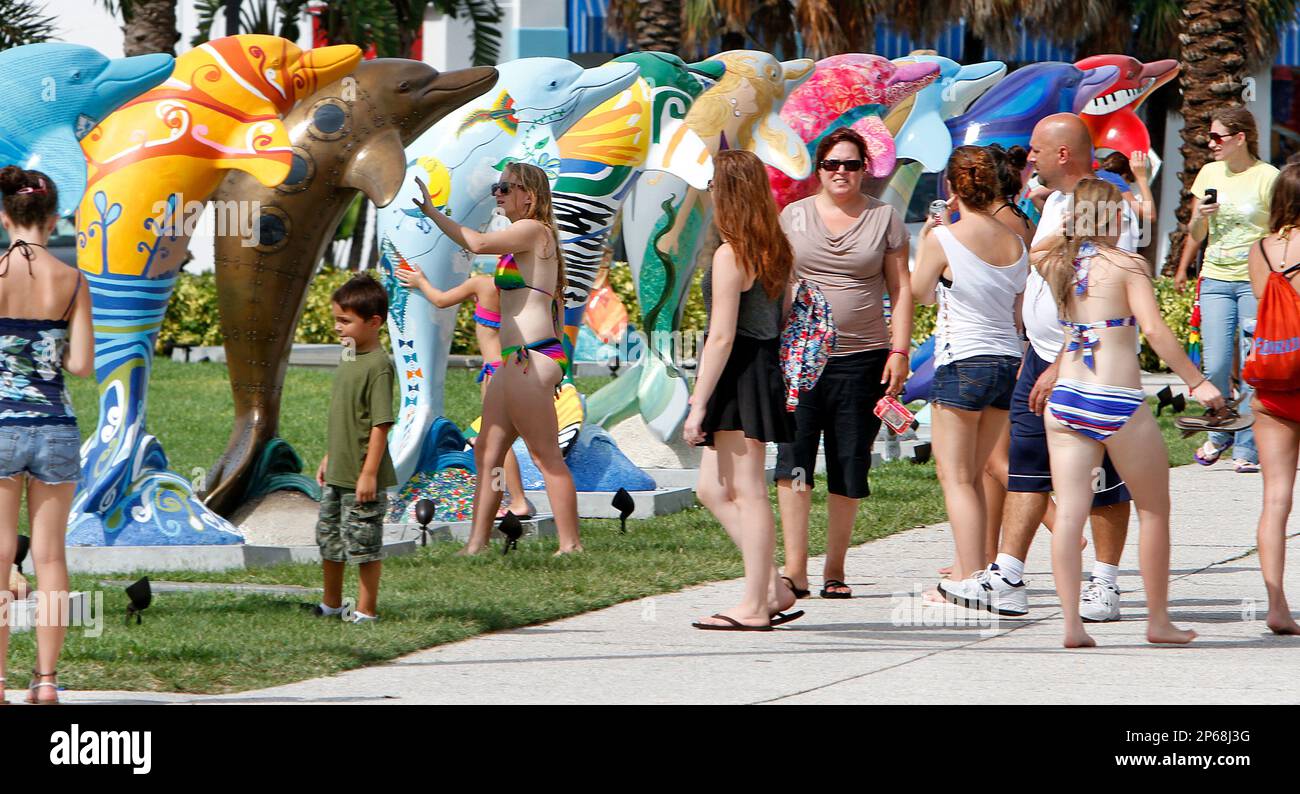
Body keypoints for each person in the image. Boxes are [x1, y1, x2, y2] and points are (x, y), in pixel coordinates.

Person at [952, 113, 1137, 620]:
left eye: (1036, 149)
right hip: (1039, 356)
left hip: (1086, 361)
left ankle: (1105, 584)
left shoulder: (1106, 205)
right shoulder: (1055, 201)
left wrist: (1061, 359)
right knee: (1027, 464)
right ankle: (1008, 577)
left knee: (1101, 475)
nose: (1026, 157)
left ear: (1062, 154)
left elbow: (1102, 293)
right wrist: (1032, 352)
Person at [1036, 178, 1220, 647]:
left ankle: (1072, 626)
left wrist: (1071, 223)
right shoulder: (1129, 265)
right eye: (1122, 213)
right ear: (1114, 217)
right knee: (1155, 510)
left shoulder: (1057, 263)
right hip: (1115, 398)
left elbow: (1040, 245)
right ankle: (1158, 621)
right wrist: (1196, 382)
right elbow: (1155, 331)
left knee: (1072, 513)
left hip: (1067, 397)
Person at [412, 162, 581, 555]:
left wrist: (434, 213)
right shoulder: (524, 241)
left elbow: (477, 243)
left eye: (507, 187)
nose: (499, 194)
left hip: (530, 356)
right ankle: (476, 543)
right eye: (497, 187)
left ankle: (570, 545)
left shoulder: (535, 230)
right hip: (515, 361)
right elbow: (556, 303)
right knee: (488, 454)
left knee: (545, 457)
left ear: (530, 196)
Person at [775, 127, 911, 600]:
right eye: (832, 164)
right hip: (801, 359)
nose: (841, 173)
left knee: (848, 464)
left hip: (864, 358)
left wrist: (900, 350)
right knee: (794, 463)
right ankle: (795, 568)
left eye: (851, 164)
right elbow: (778, 281)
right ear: (819, 169)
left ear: (865, 170)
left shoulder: (885, 219)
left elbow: (902, 289)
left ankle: (835, 567)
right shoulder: (793, 216)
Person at [684, 149, 802, 630]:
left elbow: (722, 335)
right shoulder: (773, 247)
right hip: (761, 366)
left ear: (727, 193)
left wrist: (697, 403)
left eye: (713, 187)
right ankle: (771, 585)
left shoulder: (733, 253)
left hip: (740, 370)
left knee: (749, 490)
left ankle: (755, 605)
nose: (710, 194)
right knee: (710, 488)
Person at [912, 145, 1028, 595]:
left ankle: (968, 576)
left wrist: (927, 240)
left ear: (953, 188)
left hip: (963, 359)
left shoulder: (945, 237)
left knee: (956, 476)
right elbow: (1018, 307)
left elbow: (921, 292)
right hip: (1006, 360)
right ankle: (977, 570)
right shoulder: (1015, 240)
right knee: (977, 475)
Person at [0, 167, 92, 703]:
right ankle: (48, 680)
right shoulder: (72, 279)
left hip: (2, 425)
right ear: (53, 219)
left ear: (5, 216)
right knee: (52, 558)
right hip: (55, 425)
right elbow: (81, 364)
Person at [1176, 107, 1279, 473]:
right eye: (1210, 136)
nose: (1210, 142)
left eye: (1218, 136)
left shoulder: (1269, 177)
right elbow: (1195, 235)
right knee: (1216, 363)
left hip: (1255, 280)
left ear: (1240, 138)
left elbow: (1279, 232)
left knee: (1253, 366)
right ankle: (1220, 430)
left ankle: (1248, 448)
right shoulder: (1208, 173)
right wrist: (1201, 218)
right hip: (1215, 278)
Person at [396, 267, 536, 519]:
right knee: (495, 440)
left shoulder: (481, 285)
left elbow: (440, 300)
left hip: (495, 373)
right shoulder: (526, 293)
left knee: (498, 443)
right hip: (518, 368)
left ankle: (515, 499)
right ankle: (508, 496)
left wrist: (420, 280)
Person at [313, 275, 396, 624]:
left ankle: (365, 611)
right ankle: (331, 604)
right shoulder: (348, 354)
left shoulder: (379, 366)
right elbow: (345, 413)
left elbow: (380, 424)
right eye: (336, 319)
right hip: (338, 471)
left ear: (373, 322)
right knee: (329, 539)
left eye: (345, 321)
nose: (337, 327)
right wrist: (330, 456)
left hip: (362, 476)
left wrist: (368, 473)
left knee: (362, 545)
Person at [1244, 163, 1300, 635]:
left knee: (1276, 498)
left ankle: (1276, 603)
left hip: (1272, 383)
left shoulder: (1258, 250)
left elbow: (1267, 304)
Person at [1098, 150, 1157, 228]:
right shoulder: (1115, 180)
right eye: (1130, 182)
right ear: (1125, 175)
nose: (1128, 188)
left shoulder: (1096, 175)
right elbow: (1149, 215)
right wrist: (1141, 178)